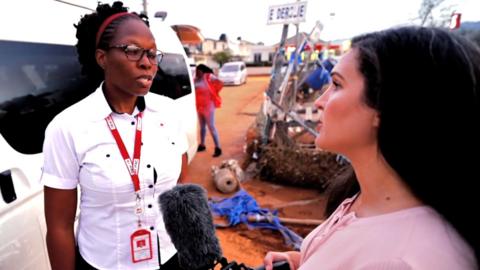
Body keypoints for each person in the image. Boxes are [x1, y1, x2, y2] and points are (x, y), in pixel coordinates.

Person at [263, 26, 479, 270]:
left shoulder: (401, 261)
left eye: (336, 84)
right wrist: (300, 261)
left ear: (387, 106)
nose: (320, 101)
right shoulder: (367, 199)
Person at [41, 2, 189, 269]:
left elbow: (181, 191)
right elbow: (59, 227)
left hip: (169, 256)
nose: (147, 63)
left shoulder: (169, 112)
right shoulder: (67, 127)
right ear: (102, 58)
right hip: (104, 263)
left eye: (153, 54)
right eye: (132, 51)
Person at [194, 63, 223, 157]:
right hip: (200, 107)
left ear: (202, 71)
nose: (196, 73)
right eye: (196, 71)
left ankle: (218, 148)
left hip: (209, 107)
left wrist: (215, 92)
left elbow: (220, 82)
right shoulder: (195, 80)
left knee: (211, 127)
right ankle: (202, 145)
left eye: (198, 71)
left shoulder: (208, 77)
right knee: (202, 127)